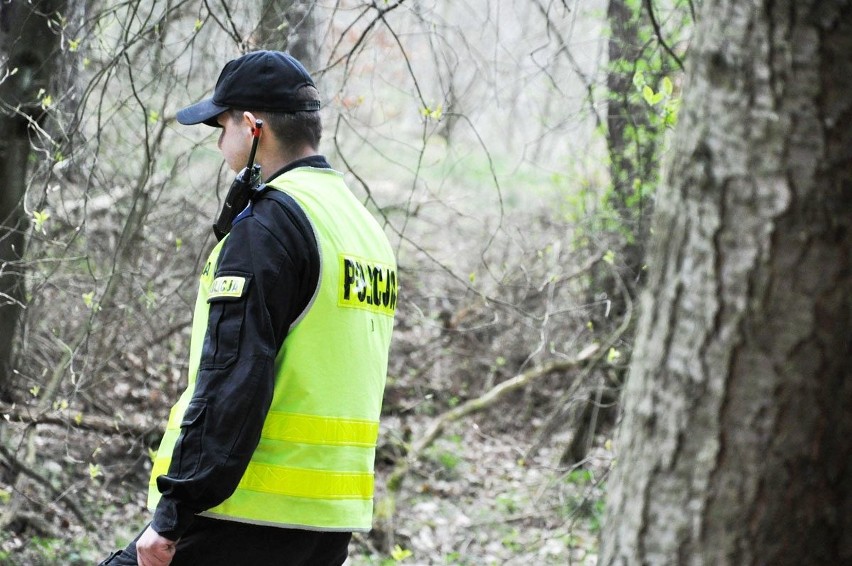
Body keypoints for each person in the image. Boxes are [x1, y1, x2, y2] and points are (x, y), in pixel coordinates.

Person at [99, 50, 397, 566]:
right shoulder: (362, 229)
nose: (218, 140)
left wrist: (172, 513)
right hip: (328, 526)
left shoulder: (268, 228)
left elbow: (233, 379)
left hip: (241, 514)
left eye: (222, 124)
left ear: (253, 127)